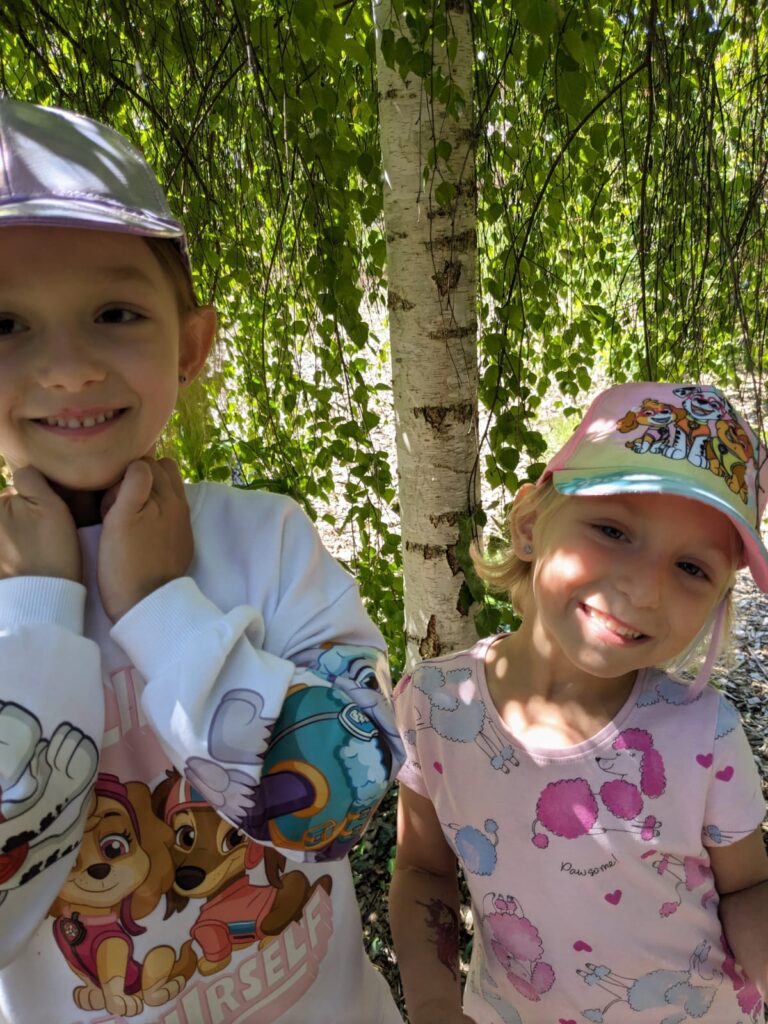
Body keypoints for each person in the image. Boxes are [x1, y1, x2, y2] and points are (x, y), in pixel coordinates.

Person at [0, 97, 404, 1024]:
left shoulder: (270, 540)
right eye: (4, 325)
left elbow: (345, 799)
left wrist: (159, 606)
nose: (67, 368)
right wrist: (34, 618)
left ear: (190, 346)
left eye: (114, 312)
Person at [391, 381, 768, 1024]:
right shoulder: (434, 707)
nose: (644, 590)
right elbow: (424, 871)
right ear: (529, 526)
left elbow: (749, 886)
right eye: (613, 530)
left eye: (692, 568)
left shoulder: (704, 733)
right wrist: (432, 1003)